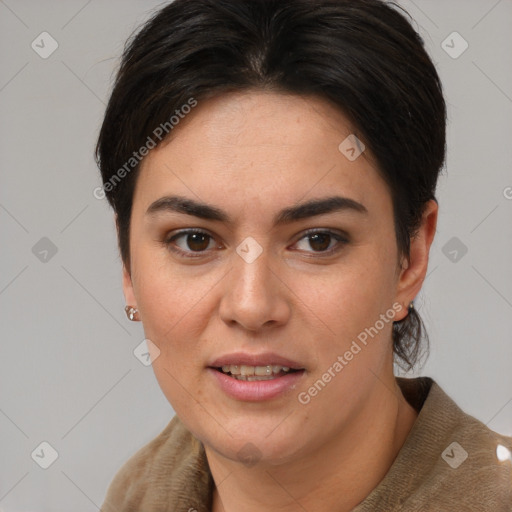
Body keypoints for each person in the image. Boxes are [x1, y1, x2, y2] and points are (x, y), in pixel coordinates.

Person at [95, 0, 512, 510]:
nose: (251, 306)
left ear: (412, 257)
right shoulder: (140, 491)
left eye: (319, 240)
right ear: (128, 265)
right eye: (195, 240)